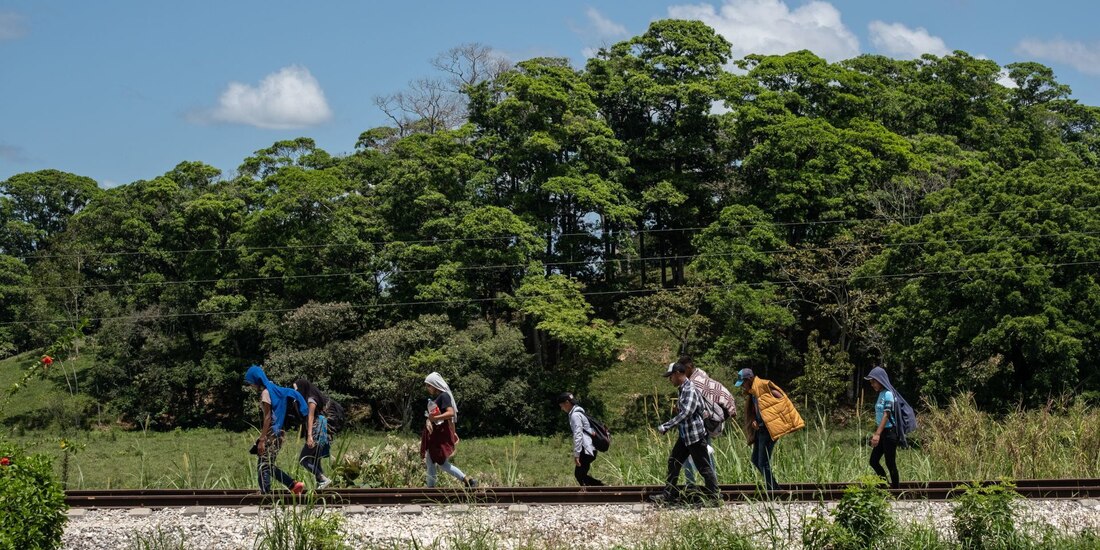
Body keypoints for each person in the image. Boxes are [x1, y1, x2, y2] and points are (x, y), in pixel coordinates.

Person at [650, 362, 720, 505]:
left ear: (677, 374)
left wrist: (667, 426)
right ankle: (668, 494)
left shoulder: (689, 389)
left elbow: (687, 412)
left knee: (703, 467)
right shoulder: (683, 389)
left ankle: (715, 498)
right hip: (685, 435)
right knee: (674, 462)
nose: (670, 380)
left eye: (671, 377)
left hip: (694, 436)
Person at [736, 368, 804, 492]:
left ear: (749, 379)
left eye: (743, 383)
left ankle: (773, 489)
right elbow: (759, 409)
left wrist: (777, 419)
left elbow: (782, 399)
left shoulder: (763, 386)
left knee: (763, 462)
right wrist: (755, 421)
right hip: (760, 430)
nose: (743, 386)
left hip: (768, 430)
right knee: (755, 460)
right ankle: (774, 487)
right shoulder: (754, 392)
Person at [245, 365, 307, 495]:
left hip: (273, 434)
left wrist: (262, 439)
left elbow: (268, 418)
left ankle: (265, 492)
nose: (251, 385)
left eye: (251, 382)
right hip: (279, 432)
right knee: (267, 464)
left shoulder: (266, 393)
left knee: (264, 463)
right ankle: (293, 485)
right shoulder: (272, 389)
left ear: (256, 380)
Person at [679, 355, 736, 486]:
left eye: (683, 370)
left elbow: (695, 405)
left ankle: (694, 484)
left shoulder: (695, 383)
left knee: (701, 455)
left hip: (698, 425)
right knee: (703, 454)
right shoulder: (701, 376)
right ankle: (708, 485)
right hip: (700, 424)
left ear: (688, 367)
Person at [420, 372, 477, 488]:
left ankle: (431, 488)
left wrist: (435, 418)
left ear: (435, 385)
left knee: (437, 462)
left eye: (428, 385)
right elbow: (446, 418)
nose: (427, 388)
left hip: (439, 436)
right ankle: (466, 480)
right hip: (436, 435)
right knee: (434, 461)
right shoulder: (440, 397)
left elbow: (450, 413)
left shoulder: (444, 396)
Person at [864, 366, 911, 489]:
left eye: (873, 381)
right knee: (873, 461)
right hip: (883, 432)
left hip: (890, 433)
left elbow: (886, 414)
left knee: (890, 463)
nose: (872, 384)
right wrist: (879, 433)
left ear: (880, 380)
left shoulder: (889, 394)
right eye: (871, 382)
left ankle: (895, 490)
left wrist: (877, 434)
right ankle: (884, 486)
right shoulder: (881, 394)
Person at [557, 392, 605, 487]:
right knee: (580, 474)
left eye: (562, 406)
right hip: (590, 449)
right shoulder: (580, 413)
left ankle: (601, 489)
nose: (562, 409)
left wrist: (576, 454)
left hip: (586, 449)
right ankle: (598, 490)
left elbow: (578, 435)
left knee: (579, 475)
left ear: (567, 402)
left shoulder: (575, 415)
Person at [293, 378, 333, 490]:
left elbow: (310, 417)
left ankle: (322, 479)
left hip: (316, 431)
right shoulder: (312, 398)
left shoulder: (311, 400)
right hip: (320, 429)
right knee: (316, 460)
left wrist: (310, 436)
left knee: (303, 459)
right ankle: (322, 485)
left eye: (296, 388)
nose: (296, 390)